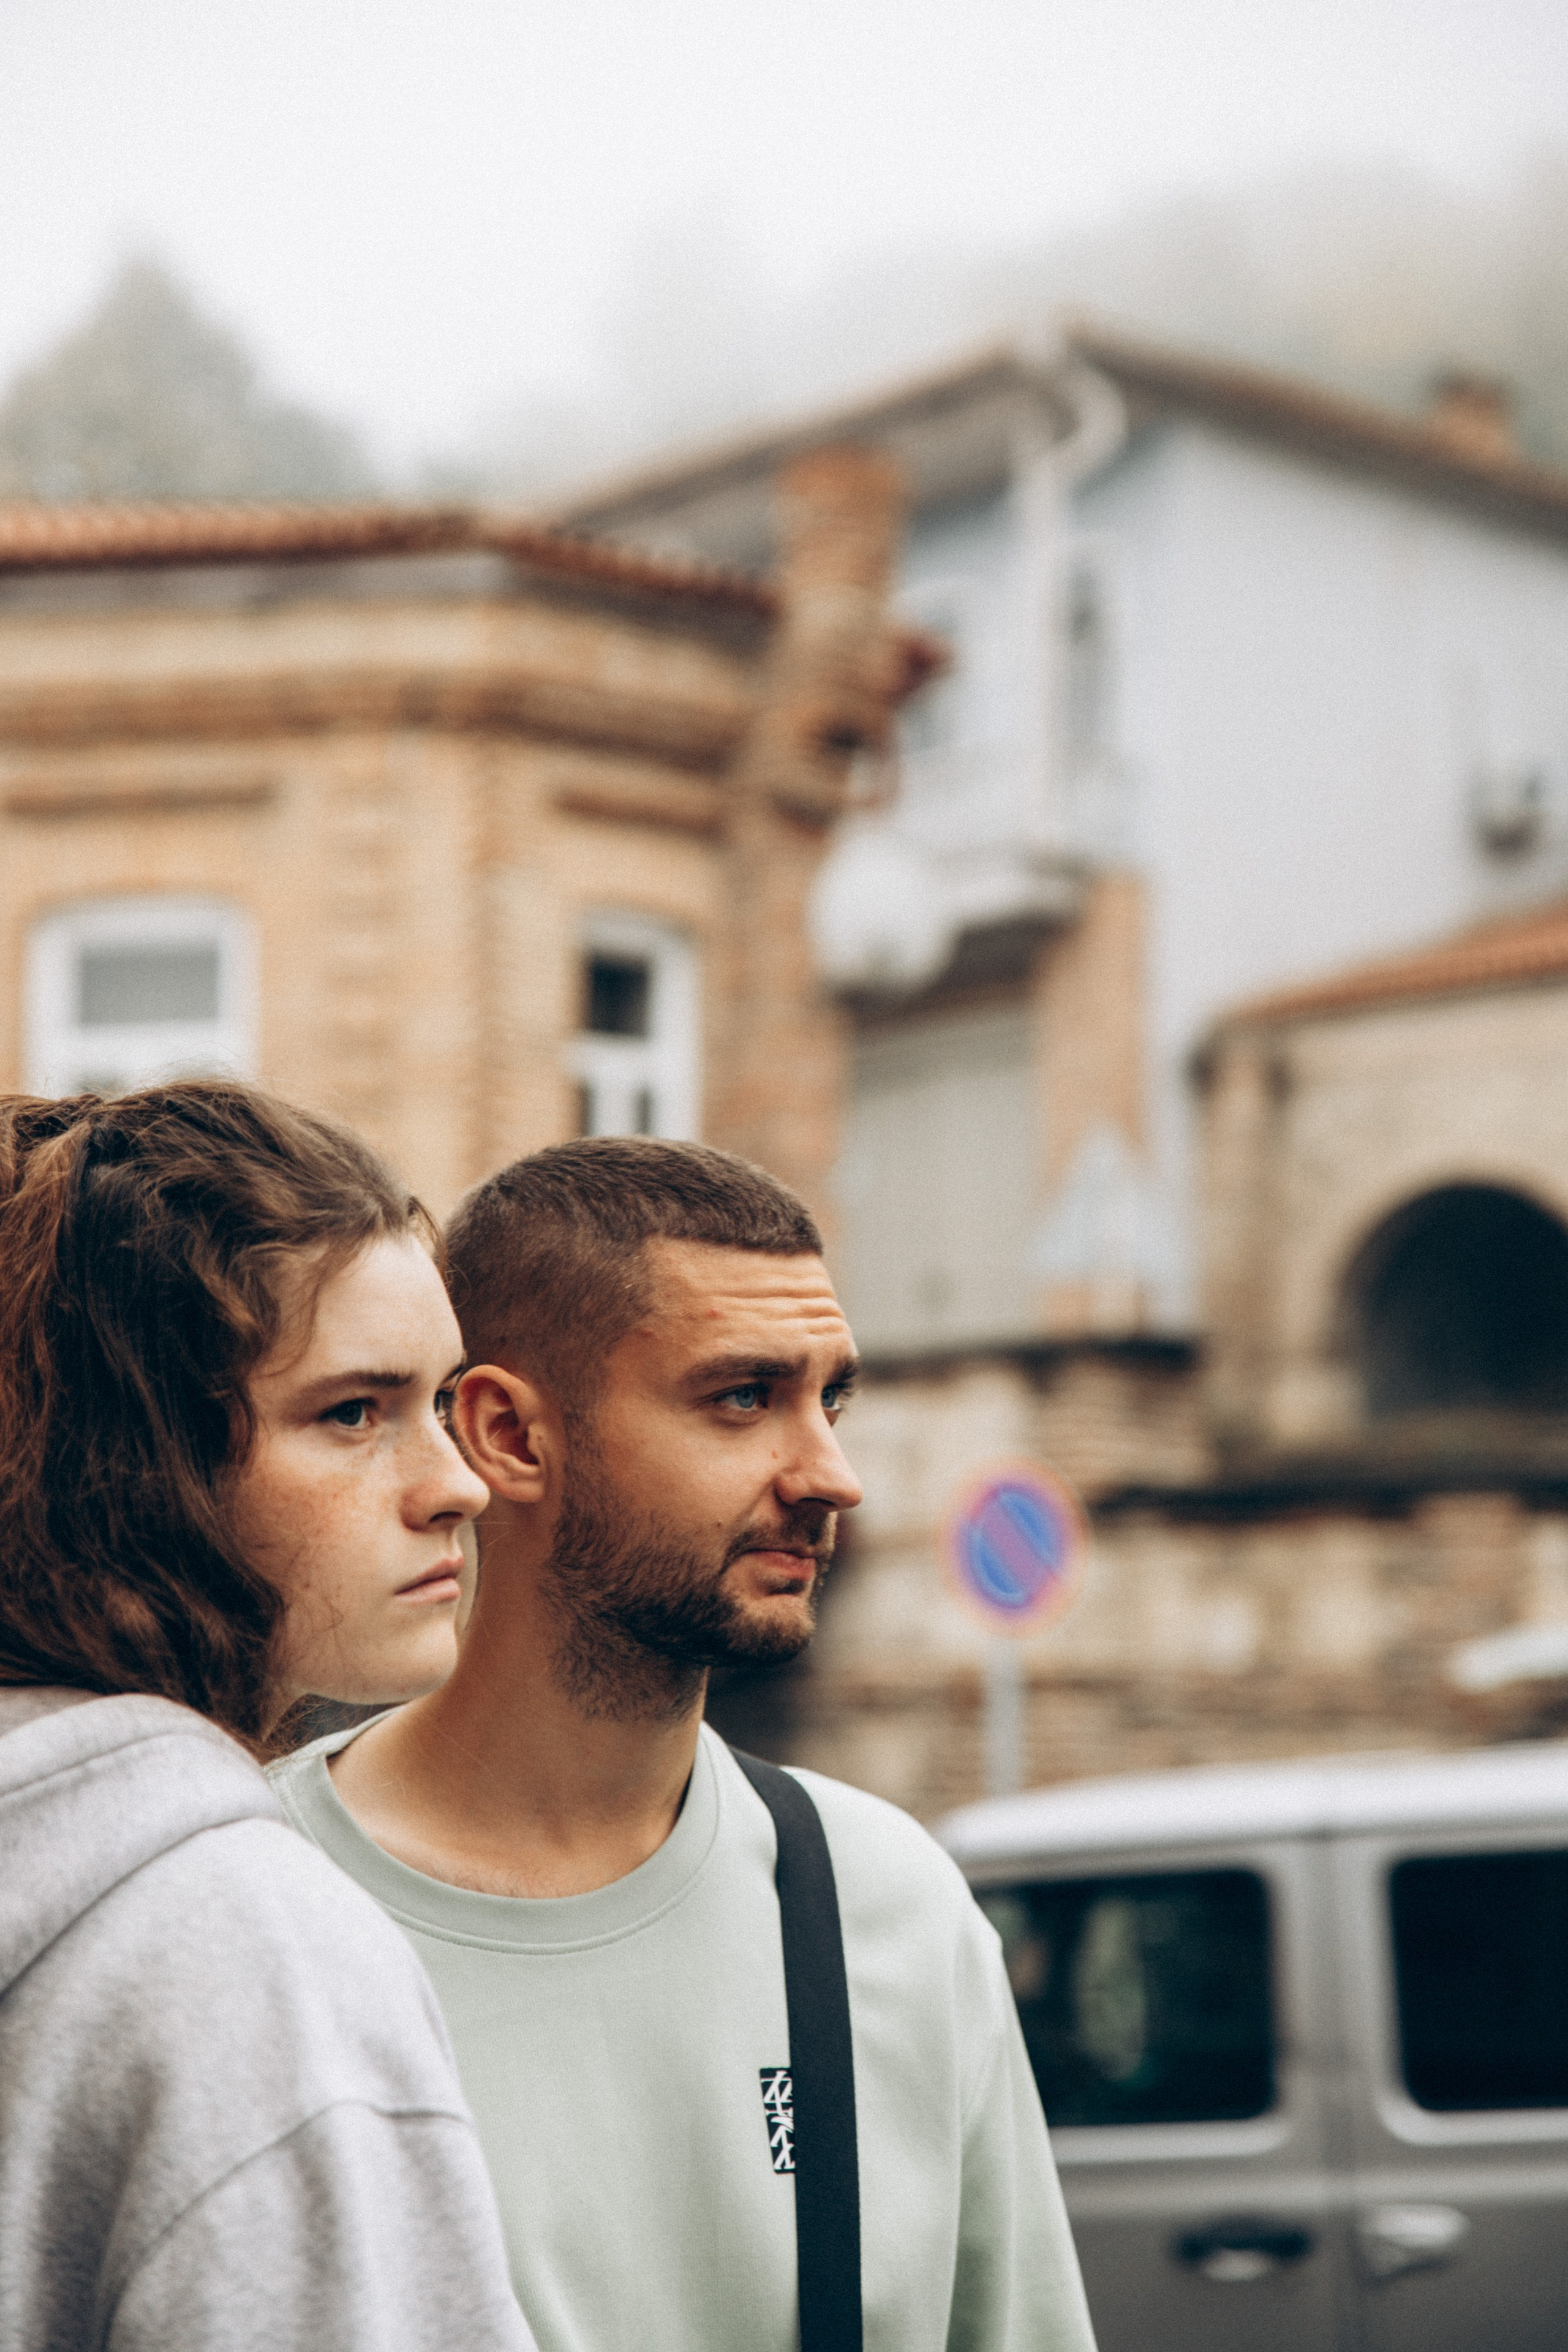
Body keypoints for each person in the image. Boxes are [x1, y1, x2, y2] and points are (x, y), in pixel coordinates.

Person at [271, 1136, 1098, 2352]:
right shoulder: (259, 1908)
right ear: (508, 1437)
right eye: (743, 1397)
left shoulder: (885, 1907)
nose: (831, 1473)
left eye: (832, 1398)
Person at [0, 1081, 536, 2352]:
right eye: (351, 1413)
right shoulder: (247, 1952)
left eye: (443, 1402)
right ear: (131, 1463)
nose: (456, 1484)